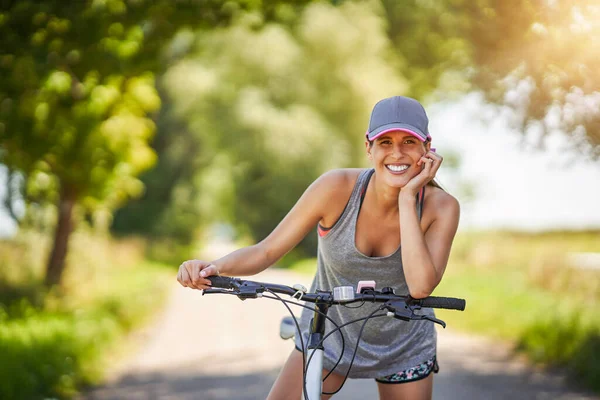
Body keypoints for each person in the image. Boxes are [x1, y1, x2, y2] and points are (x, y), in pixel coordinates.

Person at [177, 96, 460, 400]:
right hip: (329, 336)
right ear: (369, 147)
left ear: (427, 148)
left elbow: (419, 287)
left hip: (404, 346)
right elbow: (267, 251)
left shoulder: (441, 208)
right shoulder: (335, 189)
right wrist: (214, 267)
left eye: (408, 141)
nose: (397, 152)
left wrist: (408, 197)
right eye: (385, 142)